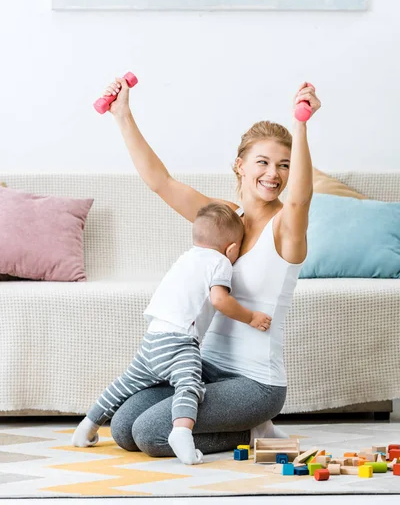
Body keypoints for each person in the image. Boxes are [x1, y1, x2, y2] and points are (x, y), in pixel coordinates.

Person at [92, 77, 320, 458]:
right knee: (123, 426)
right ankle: (239, 425)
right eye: (262, 162)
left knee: (150, 433)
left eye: (284, 165)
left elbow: (299, 200)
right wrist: (122, 115)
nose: (273, 174)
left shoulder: (286, 227)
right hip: (204, 367)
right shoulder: (224, 219)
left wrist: (301, 125)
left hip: (255, 384)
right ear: (240, 166)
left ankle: (250, 429)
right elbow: (161, 182)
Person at [72, 202, 271, 464]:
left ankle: (87, 425)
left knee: (124, 384)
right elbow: (220, 300)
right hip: (180, 341)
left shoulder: (185, 257)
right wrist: (251, 317)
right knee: (189, 387)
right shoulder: (221, 261)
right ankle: (181, 433)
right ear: (232, 248)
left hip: (153, 338)